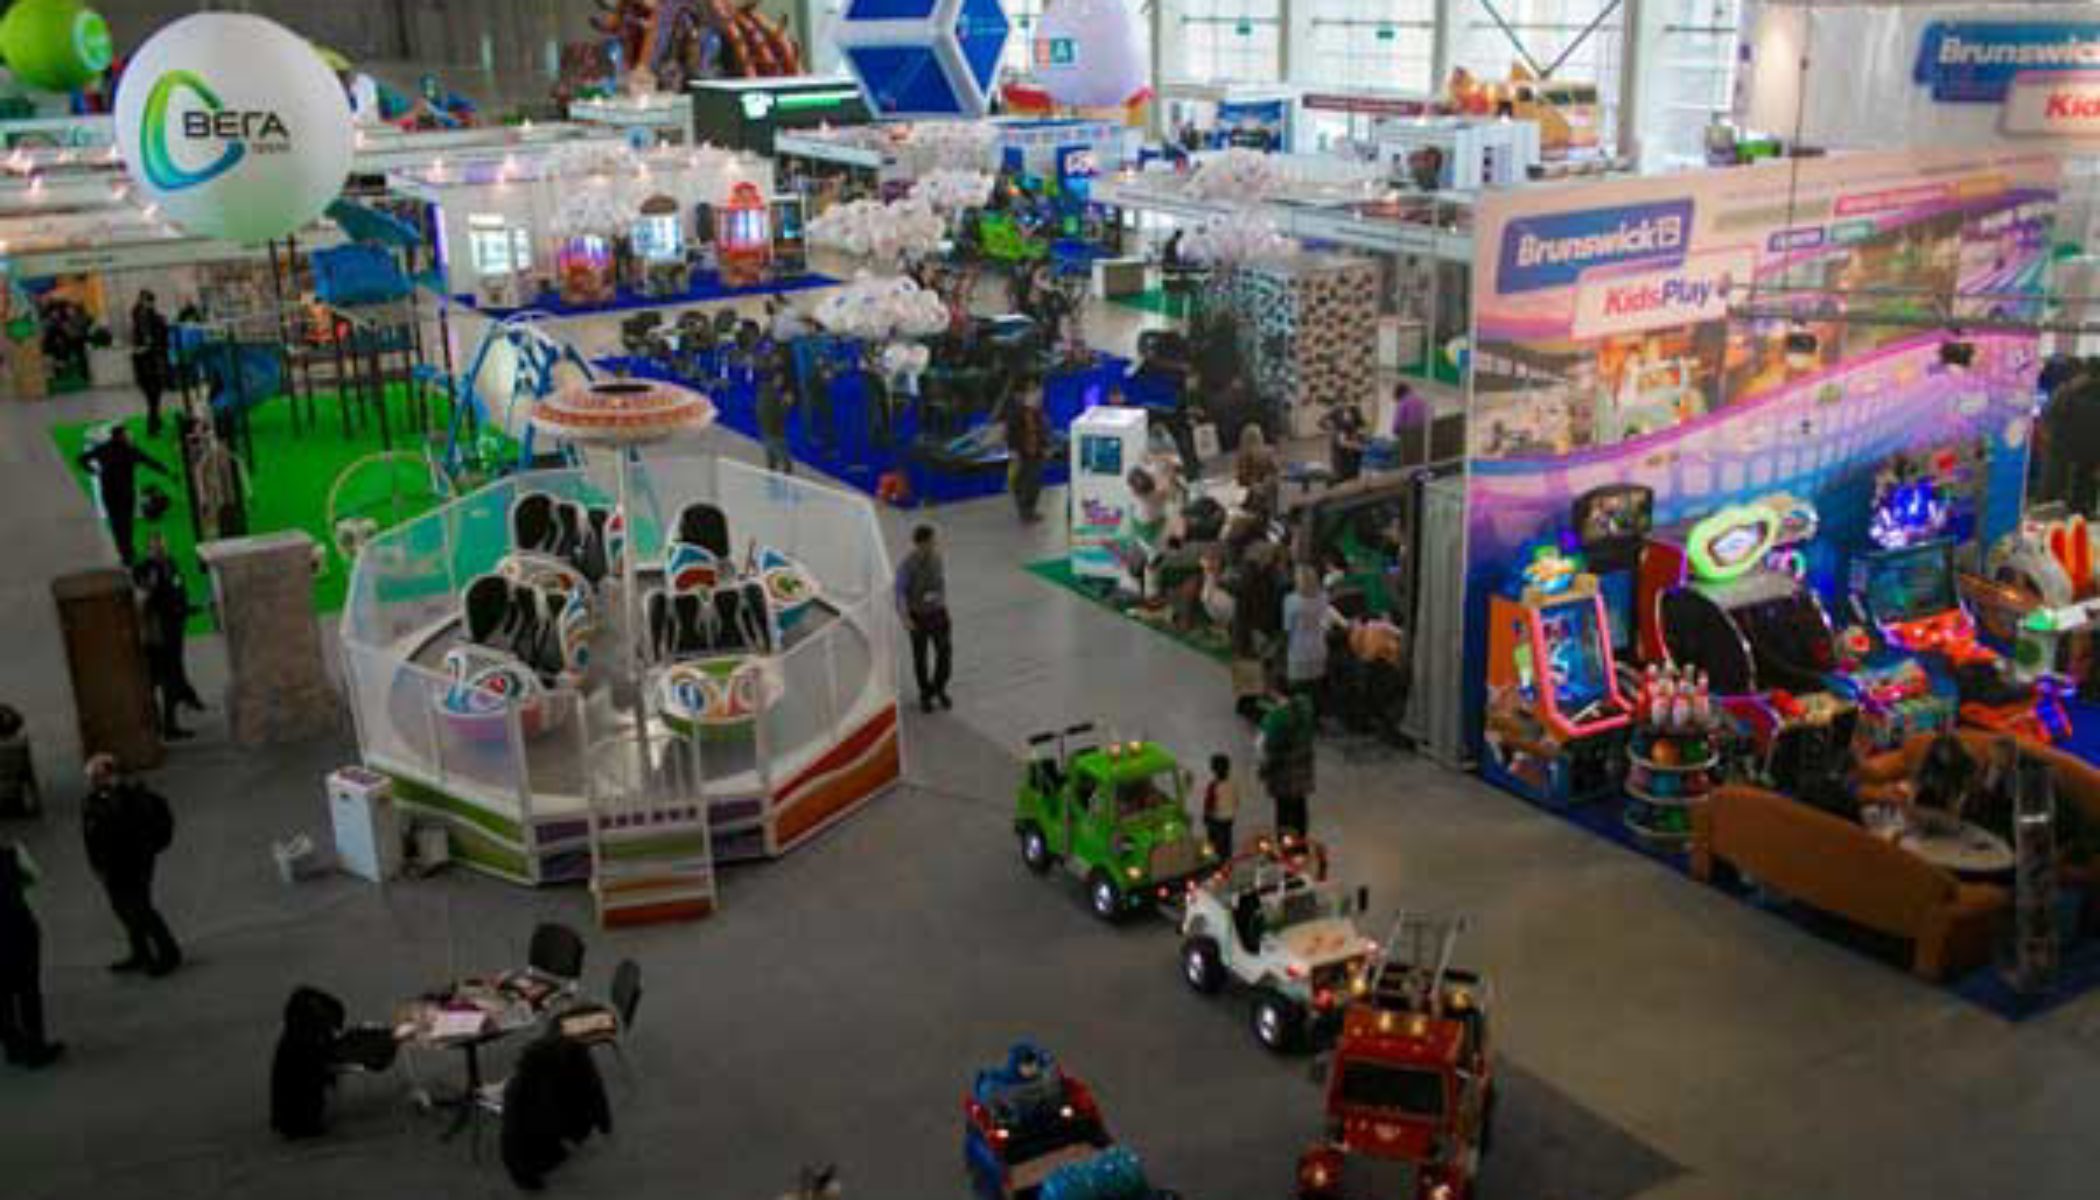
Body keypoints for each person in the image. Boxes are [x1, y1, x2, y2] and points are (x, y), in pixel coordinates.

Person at [82, 754, 181, 977]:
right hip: (110, 868)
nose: (94, 780)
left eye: (98, 775)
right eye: (92, 777)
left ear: (111, 774)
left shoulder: (132, 796)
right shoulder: (92, 801)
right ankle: (140, 953)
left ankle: (170, 953)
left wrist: (145, 854)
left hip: (135, 865)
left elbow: (142, 829)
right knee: (123, 910)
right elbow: (90, 836)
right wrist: (97, 865)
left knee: (142, 910)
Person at [133, 534, 205, 740]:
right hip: (159, 634)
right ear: (148, 550)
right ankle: (166, 726)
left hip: (173, 628)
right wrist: (152, 586)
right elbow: (145, 600)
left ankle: (167, 718)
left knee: (165, 676)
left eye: (162, 546)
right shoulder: (144, 569)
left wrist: (187, 609)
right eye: (155, 548)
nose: (160, 550)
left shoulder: (170, 563)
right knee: (163, 679)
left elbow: (177, 590)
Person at [0, 840, 63, 1069]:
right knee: (28, 992)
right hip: (16, 932)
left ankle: (13, 1045)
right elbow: (32, 878)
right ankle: (36, 1049)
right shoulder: (10, 856)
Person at [78, 425, 169, 565]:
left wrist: (92, 470)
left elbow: (82, 458)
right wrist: (165, 470)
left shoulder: (104, 448)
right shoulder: (129, 450)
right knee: (127, 522)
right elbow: (148, 461)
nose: (128, 437)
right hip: (125, 493)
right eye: (126, 435)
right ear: (121, 436)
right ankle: (128, 551)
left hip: (109, 492)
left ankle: (123, 551)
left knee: (116, 523)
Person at [895, 525, 953, 713]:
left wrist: (940, 597)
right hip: (918, 617)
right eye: (932, 541)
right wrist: (905, 618)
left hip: (938, 612)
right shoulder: (906, 565)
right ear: (922, 543)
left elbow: (941, 581)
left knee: (944, 652)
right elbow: (900, 593)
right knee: (920, 658)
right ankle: (925, 694)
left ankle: (939, 687)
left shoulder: (937, 558)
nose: (935, 544)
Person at [1282, 567, 1338, 718]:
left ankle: (1300, 718)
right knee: (1315, 687)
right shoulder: (1323, 597)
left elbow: (1287, 628)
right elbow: (1326, 621)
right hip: (1319, 647)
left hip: (1298, 649)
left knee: (1298, 688)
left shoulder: (1290, 600)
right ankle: (1315, 717)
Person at [1259, 693, 1316, 837]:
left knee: (1283, 811)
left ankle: (1285, 842)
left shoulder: (1278, 721)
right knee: (1299, 807)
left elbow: (1272, 753)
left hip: (1283, 778)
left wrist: (1264, 769)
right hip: (1301, 774)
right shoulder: (1303, 712)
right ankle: (1301, 841)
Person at [1006, 384, 1051, 523]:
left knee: (1034, 483)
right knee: (1023, 482)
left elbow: (1043, 432)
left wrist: (1045, 447)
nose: (1040, 399)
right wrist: (1013, 450)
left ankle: (1029, 510)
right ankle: (1025, 511)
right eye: (1037, 396)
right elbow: (1011, 432)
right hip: (1023, 453)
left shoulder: (1039, 413)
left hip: (1036, 453)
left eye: (1041, 396)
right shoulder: (1017, 412)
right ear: (1029, 396)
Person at [130, 290, 172, 436]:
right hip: (148, 363)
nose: (149, 304)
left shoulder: (144, 317)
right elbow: (150, 342)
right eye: (147, 301)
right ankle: (153, 426)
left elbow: (154, 340)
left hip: (149, 362)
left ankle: (155, 422)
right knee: (153, 395)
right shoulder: (143, 317)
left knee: (154, 396)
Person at [756, 340, 796, 476]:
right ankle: (775, 463)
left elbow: (782, 383)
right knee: (771, 433)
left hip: (774, 399)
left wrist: (786, 395)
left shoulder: (780, 367)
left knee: (774, 434)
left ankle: (780, 463)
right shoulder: (769, 363)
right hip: (770, 398)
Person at [1234, 424, 1281, 518]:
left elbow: (1241, 479)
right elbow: (1276, 470)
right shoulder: (1269, 451)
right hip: (1270, 491)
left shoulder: (1242, 455)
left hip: (1254, 493)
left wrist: (1253, 484)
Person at [1320, 399, 1369, 483]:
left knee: (1356, 460)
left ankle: (1352, 476)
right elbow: (1343, 443)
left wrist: (1361, 439)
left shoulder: (1353, 416)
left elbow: (1361, 428)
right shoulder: (1340, 427)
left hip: (1350, 463)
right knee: (1343, 475)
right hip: (1341, 466)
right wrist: (1359, 446)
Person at [1202, 753, 1238, 858]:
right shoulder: (1233, 783)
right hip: (1229, 818)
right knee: (1227, 841)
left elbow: (1209, 804)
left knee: (1211, 841)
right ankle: (1227, 859)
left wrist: (1206, 816)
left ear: (1214, 770)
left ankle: (1211, 859)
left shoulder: (1213, 785)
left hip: (1216, 819)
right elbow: (1236, 801)